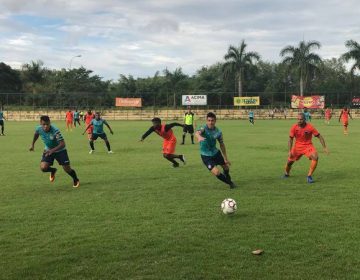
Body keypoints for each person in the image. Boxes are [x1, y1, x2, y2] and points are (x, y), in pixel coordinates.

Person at [29, 115, 80, 188]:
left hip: (60, 150)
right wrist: (32, 144)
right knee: (43, 168)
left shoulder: (55, 130)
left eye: (47, 124)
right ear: (40, 123)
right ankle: (53, 170)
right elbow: (36, 134)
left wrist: (52, 150)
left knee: (67, 169)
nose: (46, 126)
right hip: (48, 149)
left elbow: (62, 144)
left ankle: (76, 179)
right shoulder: (38, 129)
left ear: (50, 123)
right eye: (44, 124)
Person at [283, 113, 329, 183]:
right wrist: (289, 151)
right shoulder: (294, 127)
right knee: (289, 162)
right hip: (297, 147)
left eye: (301, 119)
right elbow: (290, 139)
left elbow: (319, 136)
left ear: (305, 119)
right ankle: (286, 173)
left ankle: (309, 176)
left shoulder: (310, 127)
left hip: (308, 146)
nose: (299, 121)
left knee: (315, 157)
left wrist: (324, 147)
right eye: (298, 119)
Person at [195, 112, 237, 189]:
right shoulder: (203, 128)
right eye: (209, 120)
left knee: (226, 168)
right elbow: (198, 132)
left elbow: (222, 144)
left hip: (215, 153)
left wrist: (225, 158)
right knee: (216, 172)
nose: (210, 122)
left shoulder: (218, 132)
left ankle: (226, 174)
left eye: (212, 120)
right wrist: (199, 137)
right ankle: (230, 183)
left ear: (215, 121)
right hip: (206, 155)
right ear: (206, 121)